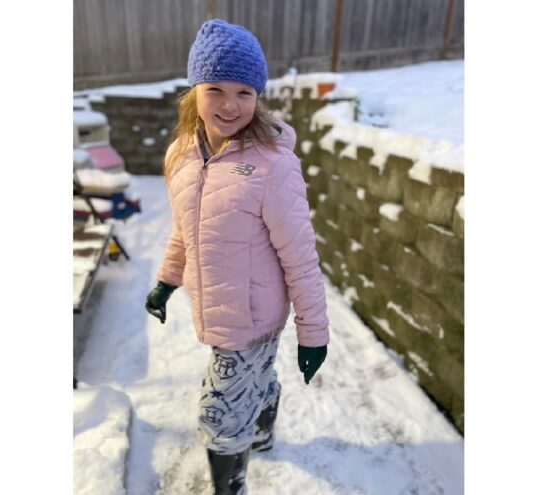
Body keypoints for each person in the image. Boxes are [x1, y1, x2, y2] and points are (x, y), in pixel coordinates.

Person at [144, 18, 330, 495]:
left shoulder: (272, 165)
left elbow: (301, 256)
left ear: (258, 96)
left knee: (218, 413)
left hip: (252, 317)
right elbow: (187, 232)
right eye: (216, 89)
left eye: (245, 92)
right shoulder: (181, 155)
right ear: (194, 91)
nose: (230, 104)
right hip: (217, 307)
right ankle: (263, 428)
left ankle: (232, 485)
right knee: (256, 376)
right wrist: (167, 280)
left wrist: (313, 333)